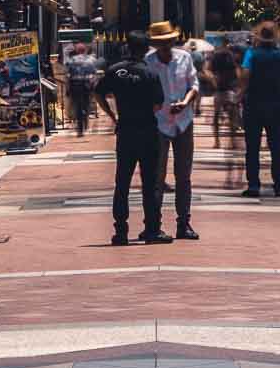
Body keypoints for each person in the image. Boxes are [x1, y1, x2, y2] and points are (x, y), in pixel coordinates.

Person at [95, 33, 170, 245]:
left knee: (122, 183)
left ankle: (120, 232)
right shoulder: (150, 73)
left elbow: (98, 93)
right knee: (150, 183)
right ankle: (152, 230)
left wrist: (113, 116)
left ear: (127, 47)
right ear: (146, 49)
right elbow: (158, 105)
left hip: (125, 130)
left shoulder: (115, 71)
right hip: (147, 131)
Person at [145, 19, 200, 240]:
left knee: (183, 176)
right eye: (161, 43)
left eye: (168, 42)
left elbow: (193, 85)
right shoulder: (148, 62)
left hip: (183, 122)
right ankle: (154, 224)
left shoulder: (184, 58)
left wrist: (186, 102)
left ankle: (183, 223)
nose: (166, 47)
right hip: (158, 123)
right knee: (157, 176)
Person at [240, 21, 280, 197]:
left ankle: (253, 185)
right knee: (277, 147)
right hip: (274, 105)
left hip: (253, 104)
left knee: (252, 147)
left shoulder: (251, 54)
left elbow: (245, 76)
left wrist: (239, 95)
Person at [205, 35, 240, 147]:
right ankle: (229, 141)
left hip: (223, 89)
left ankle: (219, 141)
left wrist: (213, 80)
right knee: (230, 115)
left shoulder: (219, 55)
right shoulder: (230, 56)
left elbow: (208, 70)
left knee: (220, 115)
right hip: (228, 89)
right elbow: (237, 71)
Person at [66, 41, 99, 136]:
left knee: (77, 106)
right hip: (86, 85)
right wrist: (93, 85)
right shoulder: (91, 60)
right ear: (85, 50)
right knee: (86, 104)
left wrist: (68, 88)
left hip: (75, 85)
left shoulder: (71, 60)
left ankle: (80, 128)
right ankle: (85, 120)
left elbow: (68, 75)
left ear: (76, 50)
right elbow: (94, 74)